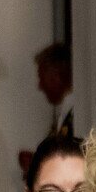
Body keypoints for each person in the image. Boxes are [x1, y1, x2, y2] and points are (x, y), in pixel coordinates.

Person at [18, 43, 74, 176]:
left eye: (42, 78)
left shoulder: (78, 114)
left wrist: (37, 165)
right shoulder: (65, 111)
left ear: (57, 76)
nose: (40, 86)